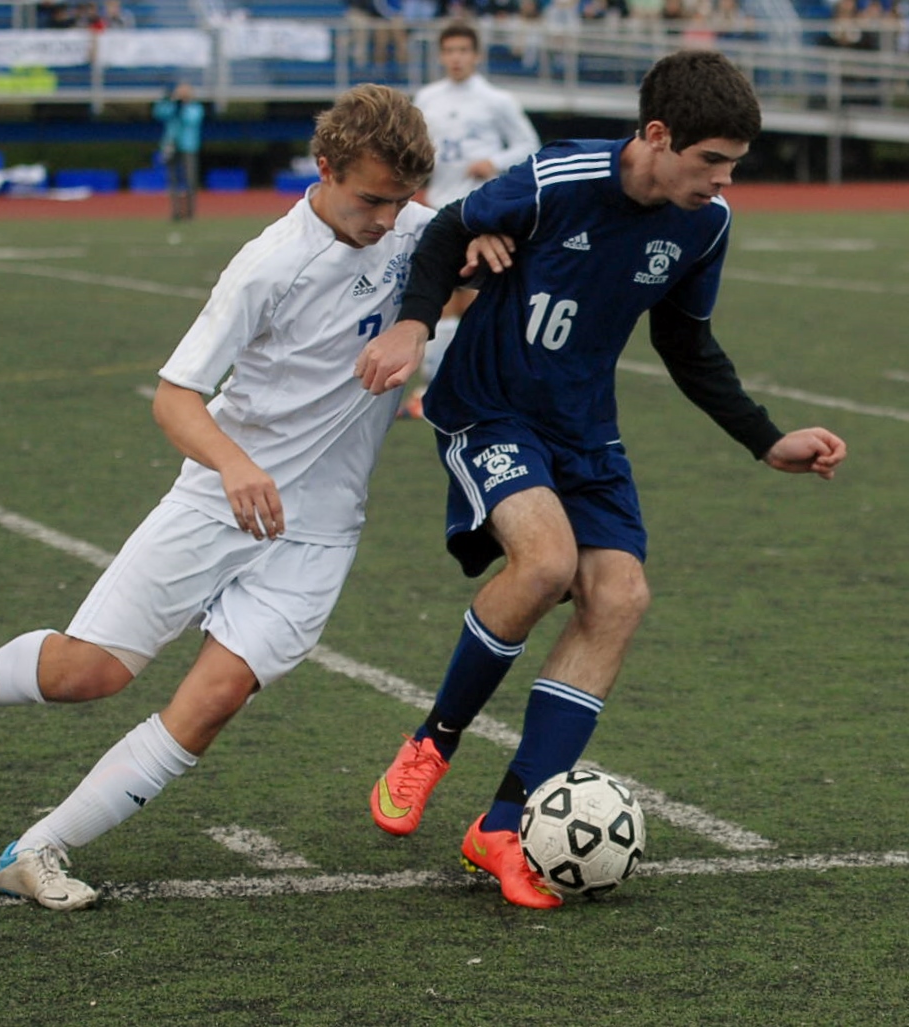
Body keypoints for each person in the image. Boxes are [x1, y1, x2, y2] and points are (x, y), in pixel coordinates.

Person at [0, 84, 446, 912]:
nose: (389, 219)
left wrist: (423, 321)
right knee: (90, 673)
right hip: (220, 500)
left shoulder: (420, 230)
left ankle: (35, 849)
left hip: (320, 531)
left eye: (403, 200)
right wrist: (236, 465)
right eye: (372, 200)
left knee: (210, 702)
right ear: (324, 168)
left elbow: (466, 264)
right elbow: (175, 397)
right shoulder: (268, 265)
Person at [355, 50, 848, 909]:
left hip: (584, 432)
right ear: (657, 137)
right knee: (543, 563)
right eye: (711, 162)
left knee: (619, 596)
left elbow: (686, 345)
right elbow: (444, 232)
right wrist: (412, 327)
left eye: (735, 164)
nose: (725, 181)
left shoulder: (706, 224)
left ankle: (503, 827)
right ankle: (432, 741)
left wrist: (766, 441)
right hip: (490, 408)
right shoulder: (557, 178)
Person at [402, 21, 540, 418]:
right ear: (441, 56)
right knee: (441, 299)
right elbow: (414, 146)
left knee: (479, 300)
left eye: (464, 50)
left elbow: (529, 146)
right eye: (450, 51)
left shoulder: (496, 100)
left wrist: (493, 161)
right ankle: (433, 387)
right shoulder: (427, 98)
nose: (456, 58)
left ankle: (481, 385)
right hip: (438, 209)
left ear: (476, 55)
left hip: (484, 212)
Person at [153, 83, 204, 221]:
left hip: (189, 146)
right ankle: (175, 211)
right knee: (172, 180)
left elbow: (191, 120)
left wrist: (183, 106)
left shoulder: (195, 107)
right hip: (172, 145)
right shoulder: (172, 106)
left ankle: (190, 212)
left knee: (190, 179)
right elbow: (159, 113)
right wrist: (168, 101)